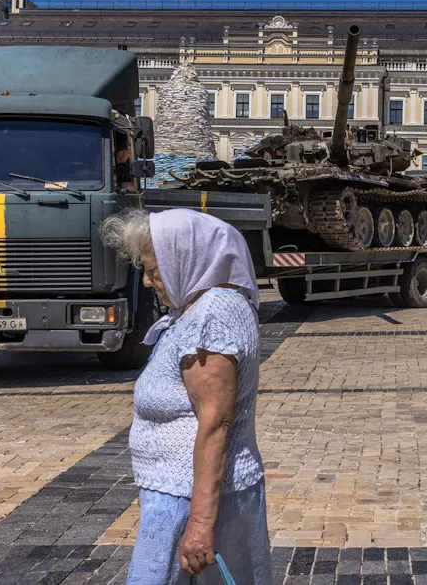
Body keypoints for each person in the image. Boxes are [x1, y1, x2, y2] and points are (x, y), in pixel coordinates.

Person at [100, 208, 272, 585]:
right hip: (179, 495)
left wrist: (200, 523)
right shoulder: (196, 309)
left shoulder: (215, 313)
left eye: (153, 270)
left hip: (187, 500)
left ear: (186, 257)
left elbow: (217, 422)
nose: (146, 282)